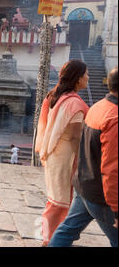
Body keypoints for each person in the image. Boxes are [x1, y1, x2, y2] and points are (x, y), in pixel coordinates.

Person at [48, 67, 118, 247]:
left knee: (67, 230)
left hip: (84, 184)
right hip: (102, 196)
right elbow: (112, 169)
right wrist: (116, 210)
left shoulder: (98, 106)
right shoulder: (114, 117)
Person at [35, 60, 90, 246]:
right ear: (77, 78)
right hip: (65, 154)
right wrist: (82, 160)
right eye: (86, 74)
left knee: (55, 199)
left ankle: (49, 237)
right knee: (59, 201)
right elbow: (75, 137)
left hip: (53, 152)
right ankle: (50, 240)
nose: (88, 78)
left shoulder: (54, 95)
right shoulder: (74, 102)